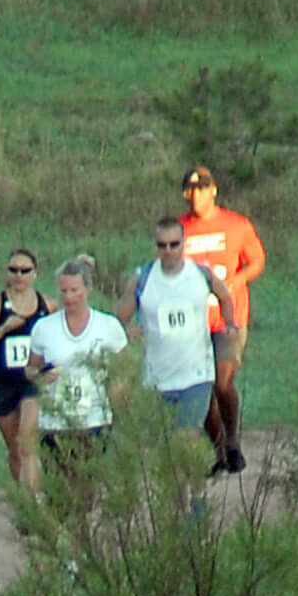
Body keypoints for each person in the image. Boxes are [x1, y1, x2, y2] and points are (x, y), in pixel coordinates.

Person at [175, 168, 266, 475]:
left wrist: (236, 281)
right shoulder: (179, 230)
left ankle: (233, 440)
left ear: (213, 191)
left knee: (222, 380)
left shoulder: (236, 225)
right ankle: (219, 451)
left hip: (228, 318)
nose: (196, 195)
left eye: (202, 189)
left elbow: (257, 260)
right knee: (200, 389)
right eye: (190, 190)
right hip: (192, 322)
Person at [124, 218, 230, 434]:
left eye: (174, 244)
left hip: (196, 376)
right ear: (155, 246)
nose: (168, 250)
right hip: (156, 379)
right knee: (160, 447)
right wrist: (126, 333)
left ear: (184, 243)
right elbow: (118, 319)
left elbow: (225, 297)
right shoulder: (142, 279)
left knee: (186, 441)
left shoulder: (201, 275)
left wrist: (231, 324)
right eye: (162, 245)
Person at [29, 259, 128, 468]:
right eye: (63, 291)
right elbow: (31, 369)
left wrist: (118, 389)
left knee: (87, 483)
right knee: (58, 485)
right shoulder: (44, 328)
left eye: (74, 290)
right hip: (54, 420)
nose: (69, 297)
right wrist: (39, 376)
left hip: (94, 418)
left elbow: (125, 366)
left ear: (88, 289)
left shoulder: (108, 326)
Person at [0, 249, 57, 492]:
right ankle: (23, 499)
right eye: (14, 270)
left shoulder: (47, 305)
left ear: (35, 273)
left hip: (33, 383)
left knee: (27, 442)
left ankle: (35, 502)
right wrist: (2, 329)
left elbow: (61, 339)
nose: (19, 275)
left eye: (25, 270)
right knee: (14, 449)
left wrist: (51, 370)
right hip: (4, 383)